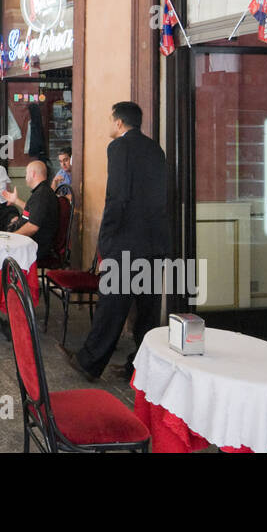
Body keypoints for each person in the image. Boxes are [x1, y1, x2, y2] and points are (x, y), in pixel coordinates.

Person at [73, 101, 168, 382]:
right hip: (155, 243)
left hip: (126, 242)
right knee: (148, 314)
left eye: (109, 120)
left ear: (118, 123)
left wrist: (106, 239)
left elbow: (116, 197)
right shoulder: (156, 150)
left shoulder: (118, 148)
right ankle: (141, 368)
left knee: (112, 307)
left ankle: (89, 363)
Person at [4, 160, 60, 259]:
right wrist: (16, 201)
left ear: (33, 174)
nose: (25, 176)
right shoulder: (42, 192)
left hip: (36, 246)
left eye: (26, 173)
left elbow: (32, 227)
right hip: (31, 242)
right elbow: (34, 211)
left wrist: (12, 237)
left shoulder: (41, 195)